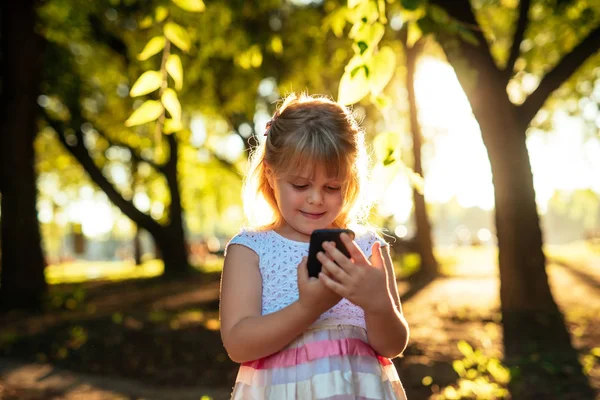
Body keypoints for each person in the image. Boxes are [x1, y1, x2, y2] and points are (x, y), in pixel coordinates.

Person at [219, 93, 409, 399]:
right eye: (301, 185)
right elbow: (238, 344)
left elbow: (392, 346)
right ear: (270, 173)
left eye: (332, 187)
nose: (316, 198)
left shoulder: (367, 247)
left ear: (350, 180)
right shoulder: (250, 249)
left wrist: (378, 304)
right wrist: (309, 308)